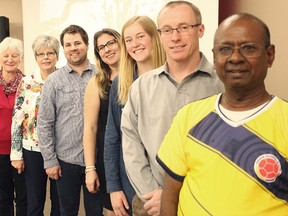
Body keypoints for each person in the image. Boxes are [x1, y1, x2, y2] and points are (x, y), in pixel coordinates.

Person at [157, 13, 288, 215]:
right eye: (225, 49)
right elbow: (170, 195)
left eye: (248, 48)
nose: (235, 58)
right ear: (215, 57)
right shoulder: (188, 116)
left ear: (269, 55)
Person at [121, 1, 224, 215]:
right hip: (151, 204)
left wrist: (179, 196)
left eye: (184, 28)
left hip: (205, 203)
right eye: (167, 30)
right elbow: (131, 143)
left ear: (201, 30)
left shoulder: (223, 84)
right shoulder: (141, 86)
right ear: (159, 35)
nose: (175, 37)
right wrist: (154, 193)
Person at [104, 16, 166, 216]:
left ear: (155, 37)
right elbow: (112, 138)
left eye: (140, 36)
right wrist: (114, 187)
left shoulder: (173, 78)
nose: (135, 44)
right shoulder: (120, 84)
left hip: (170, 181)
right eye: (128, 40)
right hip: (131, 183)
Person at [37, 25, 102, 216]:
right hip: (66, 160)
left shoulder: (101, 75)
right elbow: (44, 122)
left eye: (77, 43)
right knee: (67, 211)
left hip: (97, 159)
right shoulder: (54, 80)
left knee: (96, 212)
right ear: (63, 49)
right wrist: (50, 160)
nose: (73, 48)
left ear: (87, 45)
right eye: (68, 44)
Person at [10, 35, 60, 216]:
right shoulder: (26, 82)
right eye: (41, 54)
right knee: (35, 203)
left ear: (57, 55)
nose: (45, 57)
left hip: (59, 150)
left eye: (50, 53)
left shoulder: (64, 79)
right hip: (32, 150)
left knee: (60, 204)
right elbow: (17, 118)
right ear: (36, 57)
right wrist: (16, 154)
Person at [83, 28, 121, 216]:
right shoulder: (97, 82)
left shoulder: (141, 76)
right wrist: (90, 169)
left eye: (111, 43)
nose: (107, 49)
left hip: (137, 156)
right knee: (114, 210)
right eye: (101, 47)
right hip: (109, 158)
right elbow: (90, 128)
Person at [0, 37, 27, 216]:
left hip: (22, 150)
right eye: (6, 56)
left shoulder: (28, 84)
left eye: (15, 56)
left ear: (20, 58)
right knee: (3, 197)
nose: (10, 59)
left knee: (24, 196)